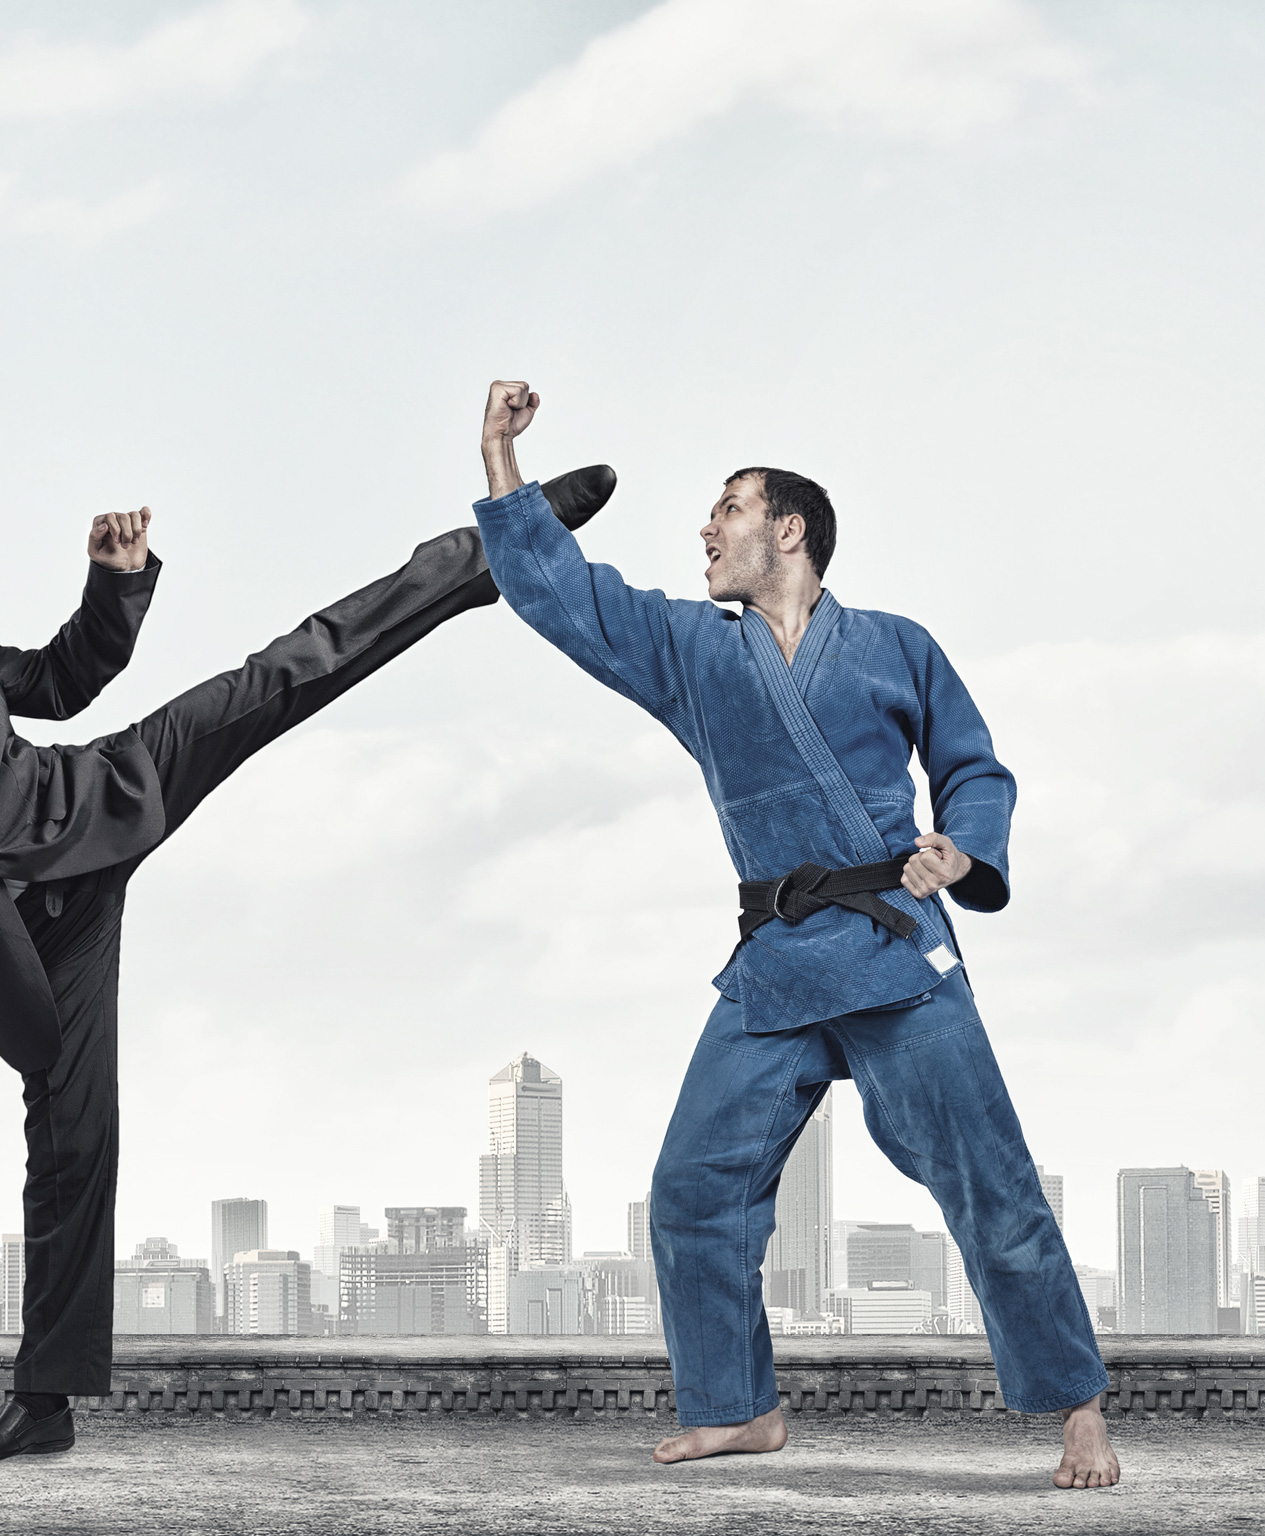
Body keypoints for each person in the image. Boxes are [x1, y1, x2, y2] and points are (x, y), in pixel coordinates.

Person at [0, 412, 613, 1466]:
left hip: (95, 800)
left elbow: (54, 682)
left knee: (278, 675)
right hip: (11, 943)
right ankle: (46, 1406)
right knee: (74, 1142)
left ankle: (490, 548)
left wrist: (112, 586)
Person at [468, 381, 1119, 1489]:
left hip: (891, 952)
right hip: (773, 966)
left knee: (987, 1179)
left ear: (789, 529)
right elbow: (566, 594)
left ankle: (1078, 1410)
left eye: (728, 508)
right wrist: (499, 458)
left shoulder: (895, 646)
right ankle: (736, 1406)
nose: (707, 529)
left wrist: (960, 852)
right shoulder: (694, 652)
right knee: (692, 1186)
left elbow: (971, 766)